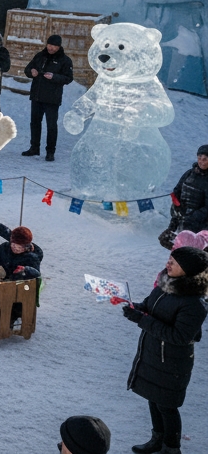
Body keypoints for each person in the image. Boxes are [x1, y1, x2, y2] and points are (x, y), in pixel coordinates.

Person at [124, 246, 208, 454]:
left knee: (167, 407)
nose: (167, 264)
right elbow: (149, 305)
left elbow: (179, 336)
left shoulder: (195, 303)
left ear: (188, 270)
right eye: (169, 259)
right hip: (153, 355)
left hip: (172, 363)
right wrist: (134, 307)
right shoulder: (166, 284)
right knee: (153, 399)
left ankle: (171, 448)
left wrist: (141, 319)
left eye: (174, 262)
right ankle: (157, 439)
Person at [22, 35, 74, 161]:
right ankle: (34, 147)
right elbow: (28, 69)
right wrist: (31, 72)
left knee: (51, 126)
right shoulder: (40, 56)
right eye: (49, 45)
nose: (51, 48)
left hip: (52, 98)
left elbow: (68, 78)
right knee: (35, 123)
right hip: (37, 96)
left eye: (54, 46)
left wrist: (54, 77)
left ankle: (50, 151)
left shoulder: (65, 60)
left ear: (59, 47)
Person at [164, 145, 208, 242]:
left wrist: (191, 216)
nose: (201, 161)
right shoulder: (189, 173)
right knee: (177, 246)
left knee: (193, 249)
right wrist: (177, 208)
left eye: (205, 159)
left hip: (201, 227)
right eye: (199, 158)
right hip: (183, 220)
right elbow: (177, 191)